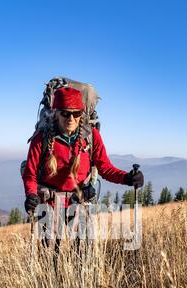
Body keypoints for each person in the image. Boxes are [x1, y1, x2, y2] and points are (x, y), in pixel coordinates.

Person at [22, 86, 144, 248]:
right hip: (48, 202)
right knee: (48, 252)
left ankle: (79, 274)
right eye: (65, 113)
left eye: (76, 113)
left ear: (82, 114)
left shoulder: (92, 136)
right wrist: (31, 195)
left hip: (78, 201)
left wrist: (127, 178)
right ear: (56, 113)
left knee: (82, 254)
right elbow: (30, 174)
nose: (71, 118)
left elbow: (105, 168)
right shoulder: (42, 137)